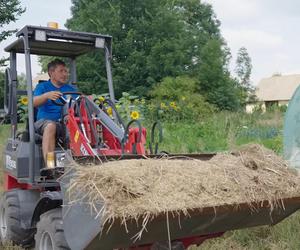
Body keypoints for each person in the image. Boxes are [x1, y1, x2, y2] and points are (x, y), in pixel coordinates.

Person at [33, 59, 76, 166]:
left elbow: (79, 103)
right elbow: (33, 102)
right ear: (51, 73)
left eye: (66, 71)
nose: (65, 74)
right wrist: (46, 96)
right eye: (61, 71)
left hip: (64, 123)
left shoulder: (70, 89)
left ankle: (80, 164)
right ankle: (50, 166)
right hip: (44, 123)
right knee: (51, 126)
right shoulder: (42, 87)